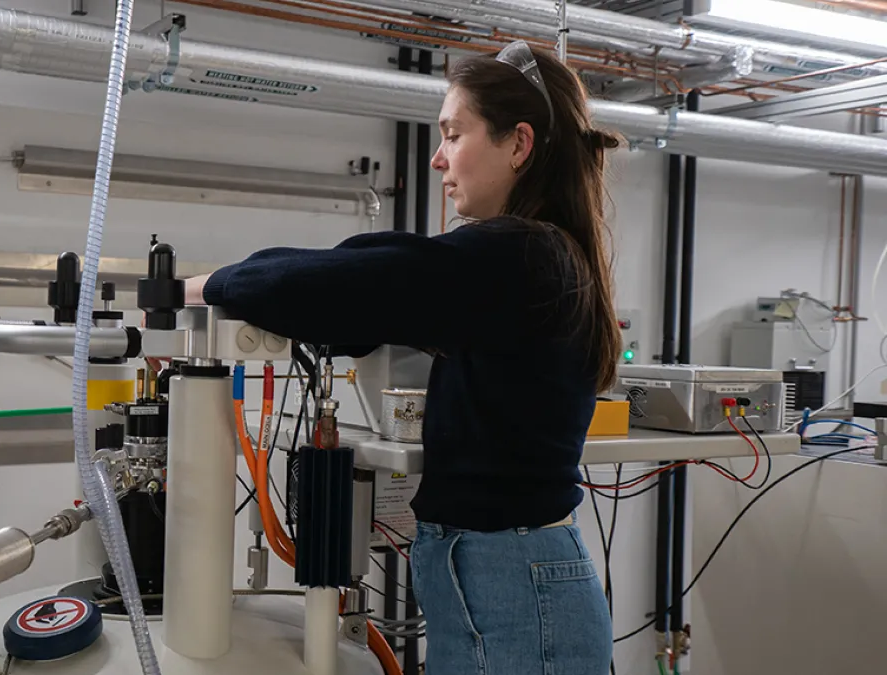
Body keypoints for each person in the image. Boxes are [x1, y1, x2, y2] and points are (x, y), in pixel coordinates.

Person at [182, 41, 618, 675]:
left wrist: (204, 287)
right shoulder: (528, 261)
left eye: (453, 133)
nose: (439, 157)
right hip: (504, 576)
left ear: (519, 144)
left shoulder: (522, 256)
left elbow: (341, 283)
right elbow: (369, 278)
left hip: (517, 587)